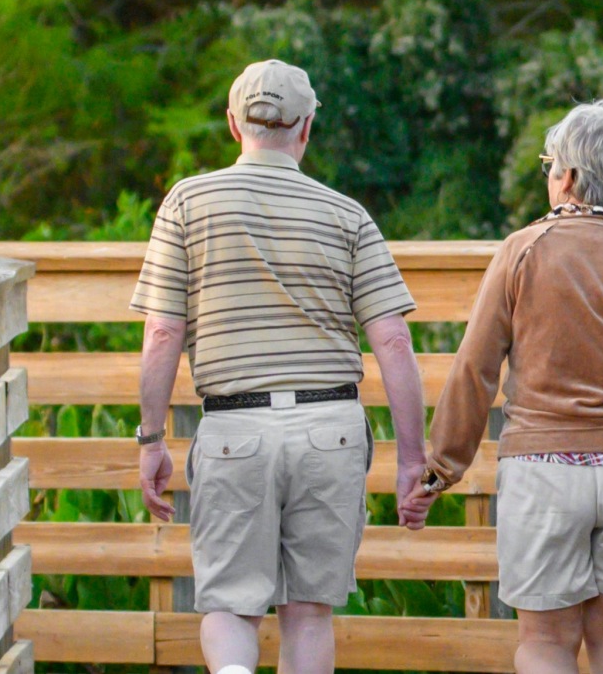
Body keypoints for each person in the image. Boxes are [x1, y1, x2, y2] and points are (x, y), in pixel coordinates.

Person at [130, 59, 428, 674]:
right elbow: (393, 342)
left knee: (232, 608)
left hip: (234, 430)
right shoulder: (349, 215)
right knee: (309, 612)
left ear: (233, 125)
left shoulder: (187, 203)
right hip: (332, 429)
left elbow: (162, 331)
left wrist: (152, 438)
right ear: (307, 128)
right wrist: (412, 459)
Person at [402, 100, 603, 674]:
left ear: (567, 177)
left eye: (550, 165)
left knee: (546, 643)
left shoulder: (522, 250)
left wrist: (439, 468)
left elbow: (475, 369)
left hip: (545, 471)